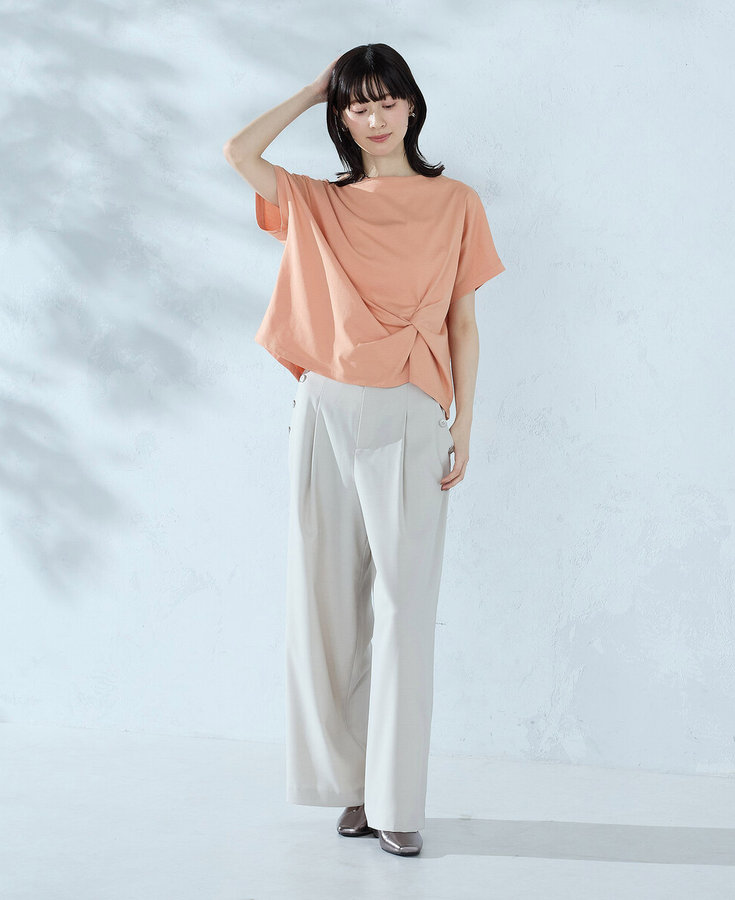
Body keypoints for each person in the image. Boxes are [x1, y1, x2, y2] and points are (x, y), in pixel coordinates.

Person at [223, 43, 505, 857]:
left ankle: (397, 800)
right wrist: (314, 87)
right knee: (325, 605)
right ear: (340, 118)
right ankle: (351, 787)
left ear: (412, 106)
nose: (375, 118)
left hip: (412, 410)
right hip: (325, 409)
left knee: (404, 608)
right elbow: (238, 151)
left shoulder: (456, 202)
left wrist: (466, 423)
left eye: (387, 101)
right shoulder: (318, 203)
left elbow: (464, 323)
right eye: (357, 105)